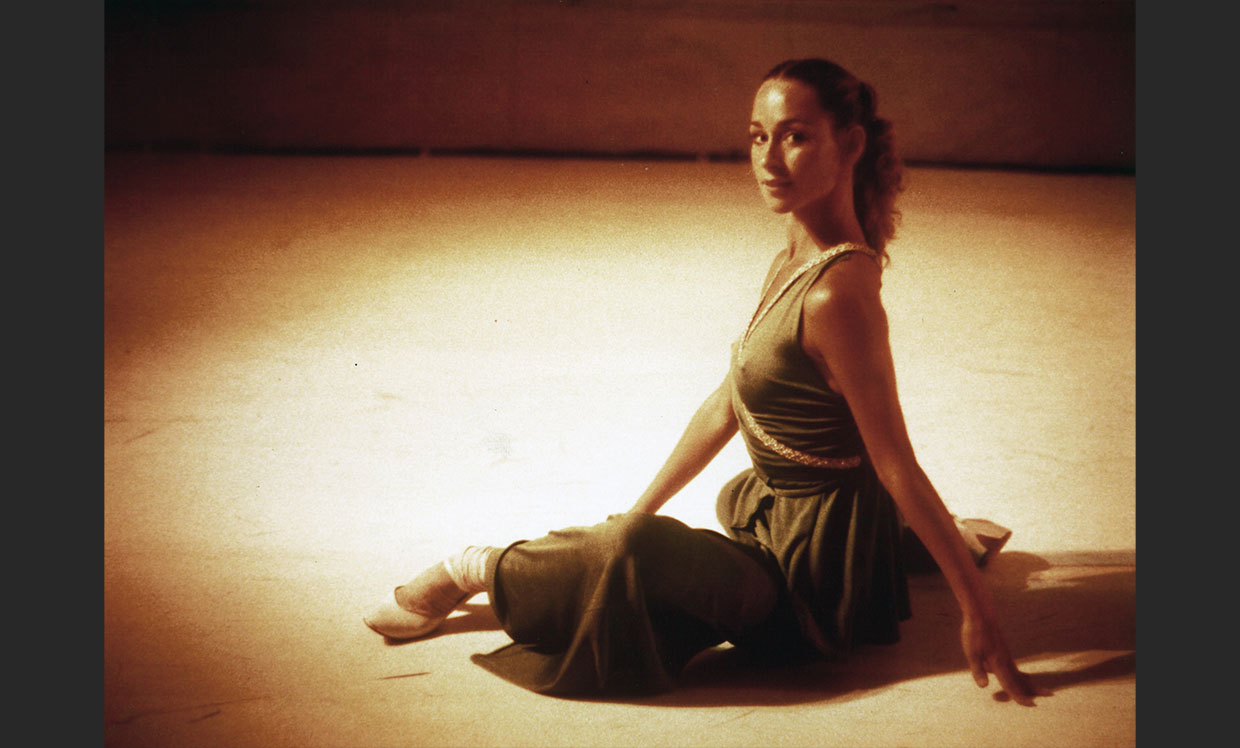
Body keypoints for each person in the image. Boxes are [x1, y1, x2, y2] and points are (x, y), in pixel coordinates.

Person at [364, 58, 1039, 705]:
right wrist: (639, 507)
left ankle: (471, 569)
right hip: (781, 511)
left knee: (633, 553)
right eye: (758, 137)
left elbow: (894, 462)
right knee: (670, 521)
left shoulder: (837, 297)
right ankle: (927, 540)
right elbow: (728, 402)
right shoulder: (794, 258)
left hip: (806, 582)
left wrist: (978, 613)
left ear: (851, 144)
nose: (769, 160)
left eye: (796, 137)